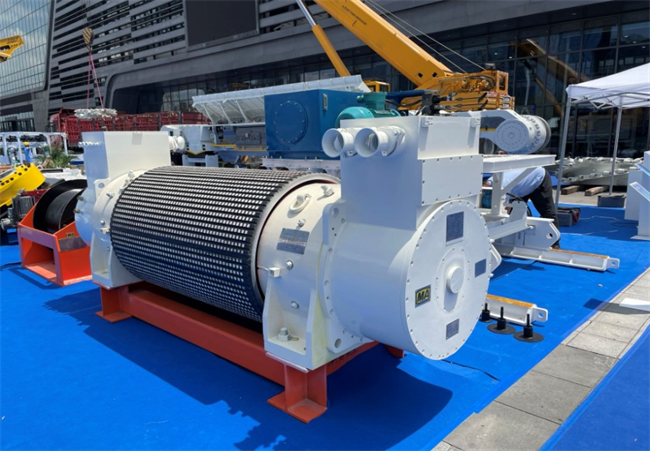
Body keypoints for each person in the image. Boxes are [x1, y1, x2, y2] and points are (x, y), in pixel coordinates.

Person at [486, 167, 561, 248]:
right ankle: (517, 241)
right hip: (520, 185)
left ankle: (554, 244)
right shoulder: (490, 185)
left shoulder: (502, 187)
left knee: (547, 213)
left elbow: (504, 211)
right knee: (515, 214)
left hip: (538, 178)